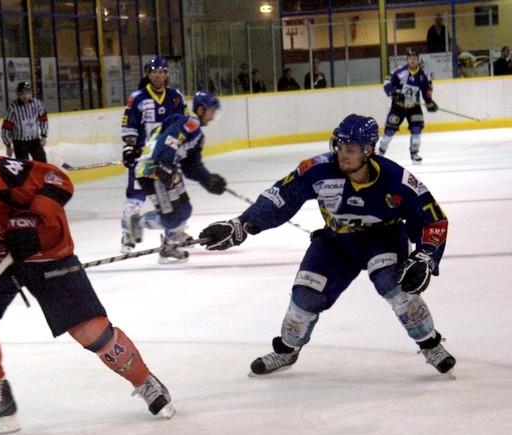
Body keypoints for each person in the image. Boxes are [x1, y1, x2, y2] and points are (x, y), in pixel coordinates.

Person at [0, 138, 175, 434]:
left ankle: (145, 381)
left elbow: (57, 180)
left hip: (44, 248)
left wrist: (33, 218)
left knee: (91, 332)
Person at [199, 114, 455, 376]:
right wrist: (242, 224)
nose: (343, 154)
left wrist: (426, 255)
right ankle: (287, 350)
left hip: (384, 238)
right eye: (340, 147)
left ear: (368, 151)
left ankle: (430, 344)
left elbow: (431, 218)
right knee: (305, 295)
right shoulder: (317, 170)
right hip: (336, 242)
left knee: (395, 285)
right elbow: (281, 197)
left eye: (352, 149)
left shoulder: (396, 179)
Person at [131, 91, 227, 264]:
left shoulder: (197, 134)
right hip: (153, 170)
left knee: (185, 208)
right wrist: (163, 163)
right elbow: (170, 139)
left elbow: (191, 165)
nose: (213, 117)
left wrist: (207, 179)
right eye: (212, 111)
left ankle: (171, 242)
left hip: (167, 169)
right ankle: (141, 222)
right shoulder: (190, 123)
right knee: (172, 216)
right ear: (200, 109)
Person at [119, 56, 188, 253]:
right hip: (144, 160)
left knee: (175, 200)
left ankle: (172, 238)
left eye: (161, 71)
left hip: (168, 159)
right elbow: (129, 124)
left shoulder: (176, 97)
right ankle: (128, 235)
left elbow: (183, 124)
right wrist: (130, 148)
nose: (158, 75)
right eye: (154, 71)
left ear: (167, 74)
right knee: (136, 197)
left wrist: (182, 148)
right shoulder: (138, 98)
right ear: (148, 74)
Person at [377, 48, 437, 163]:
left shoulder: (424, 75)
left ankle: (414, 153)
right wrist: (393, 93)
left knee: (417, 129)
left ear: (418, 59)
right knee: (389, 132)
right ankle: (381, 153)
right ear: (407, 59)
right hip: (398, 107)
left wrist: (429, 101)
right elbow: (387, 82)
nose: (412, 61)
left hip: (414, 107)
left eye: (415, 58)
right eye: (410, 58)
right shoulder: (399, 72)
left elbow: (427, 90)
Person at [1, 81, 48, 162]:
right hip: (19, 143)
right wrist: (8, 145)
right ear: (18, 94)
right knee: (23, 167)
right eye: (22, 93)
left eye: (27, 92)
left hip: (35, 140)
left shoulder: (37, 104)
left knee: (42, 163)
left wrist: (43, 136)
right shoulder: (13, 108)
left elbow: (43, 119)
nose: (25, 95)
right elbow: (6, 127)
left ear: (31, 93)